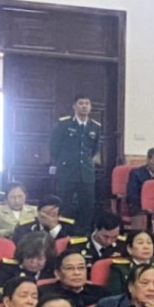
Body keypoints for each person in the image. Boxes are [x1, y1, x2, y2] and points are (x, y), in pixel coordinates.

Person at [49, 95, 102, 231]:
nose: (84, 106)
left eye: (87, 104)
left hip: (86, 174)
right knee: (65, 204)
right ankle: (63, 232)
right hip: (67, 172)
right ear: (74, 106)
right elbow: (54, 147)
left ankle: (84, 234)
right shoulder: (64, 124)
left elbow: (94, 149)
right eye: (81, 103)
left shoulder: (95, 127)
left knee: (87, 206)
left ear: (90, 107)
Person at [38, 250, 106, 307]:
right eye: (69, 268)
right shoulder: (44, 294)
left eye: (81, 268)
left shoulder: (101, 294)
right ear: (57, 274)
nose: (77, 273)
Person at [105, 229, 154, 296]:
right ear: (129, 249)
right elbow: (115, 295)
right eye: (140, 243)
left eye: (149, 243)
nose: (146, 247)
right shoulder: (119, 269)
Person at [125, 148, 154, 215]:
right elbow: (132, 195)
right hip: (139, 207)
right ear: (148, 160)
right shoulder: (136, 174)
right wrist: (145, 206)